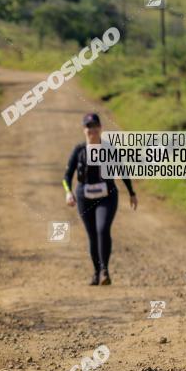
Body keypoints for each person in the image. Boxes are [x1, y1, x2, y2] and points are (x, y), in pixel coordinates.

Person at [63, 113, 137, 285]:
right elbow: (67, 176)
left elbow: (122, 171)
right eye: (89, 126)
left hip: (107, 196)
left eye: (95, 126)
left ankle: (105, 271)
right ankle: (96, 272)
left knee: (102, 229)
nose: (92, 130)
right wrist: (68, 192)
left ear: (100, 128)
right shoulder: (79, 150)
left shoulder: (109, 148)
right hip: (84, 197)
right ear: (84, 129)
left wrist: (131, 193)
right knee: (92, 235)